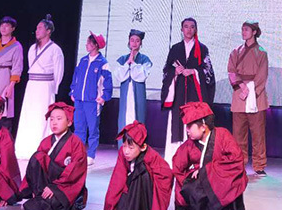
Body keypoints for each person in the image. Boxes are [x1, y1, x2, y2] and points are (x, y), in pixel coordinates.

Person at [173, 102, 264, 210]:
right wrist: (188, 180)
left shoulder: (223, 135)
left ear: (203, 127)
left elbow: (236, 159)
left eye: (189, 126)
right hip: (203, 185)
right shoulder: (189, 144)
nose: (187, 130)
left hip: (225, 182)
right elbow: (178, 165)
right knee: (192, 188)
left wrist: (205, 170)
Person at [161, 18, 215, 163]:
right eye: (186, 27)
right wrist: (175, 72)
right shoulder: (175, 49)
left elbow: (208, 72)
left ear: (195, 29)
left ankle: (194, 160)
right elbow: (166, 70)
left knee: (195, 122)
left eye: (192, 27)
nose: (189, 30)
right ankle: (174, 159)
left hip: (194, 93)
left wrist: (194, 71)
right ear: (181, 29)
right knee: (176, 124)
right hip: (178, 91)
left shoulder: (202, 49)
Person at [101, 121, 173, 210]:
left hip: (147, 199)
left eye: (131, 148)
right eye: (124, 146)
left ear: (143, 147)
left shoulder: (153, 158)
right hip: (130, 191)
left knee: (142, 173)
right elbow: (117, 180)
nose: (126, 151)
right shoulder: (122, 153)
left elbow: (163, 186)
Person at [21, 102, 88, 210]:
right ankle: (39, 194)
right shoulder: (46, 142)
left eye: (59, 119)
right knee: (37, 157)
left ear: (69, 122)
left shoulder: (76, 143)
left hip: (65, 186)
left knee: (48, 204)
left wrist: (54, 188)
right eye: (51, 119)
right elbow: (35, 167)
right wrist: (31, 187)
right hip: (46, 184)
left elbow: (74, 171)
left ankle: (43, 197)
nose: (54, 122)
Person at [15, 14, 65, 159]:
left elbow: (59, 71)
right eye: (36, 28)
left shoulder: (55, 49)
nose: (37, 31)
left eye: (40, 28)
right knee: (28, 115)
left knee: (42, 116)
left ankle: (42, 148)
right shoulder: (32, 48)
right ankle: (24, 148)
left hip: (45, 86)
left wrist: (54, 89)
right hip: (32, 85)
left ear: (48, 31)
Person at [227, 20, 269, 176]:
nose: (243, 32)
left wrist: (250, 90)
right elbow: (231, 71)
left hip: (256, 97)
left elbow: (262, 75)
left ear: (254, 32)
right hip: (239, 95)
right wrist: (240, 86)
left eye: (246, 29)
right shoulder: (235, 51)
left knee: (258, 133)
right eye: (242, 29)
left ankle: (259, 164)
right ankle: (239, 163)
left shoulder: (261, 52)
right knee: (238, 134)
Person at [70, 32, 112, 165]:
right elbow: (75, 78)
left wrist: (104, 97)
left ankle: (91, 155)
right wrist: (73, 91)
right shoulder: (82, 60)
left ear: (96, 45)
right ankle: (78, 153)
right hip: (79, 100)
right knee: (79, 128)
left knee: (93, 129)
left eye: (89, 43)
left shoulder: (103, 63)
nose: (86, 45)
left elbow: (107, 81)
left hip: (93, 101)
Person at [113, 29, 152, 136]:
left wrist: (134, 64)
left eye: (137, 41)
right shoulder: (122, 59)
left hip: (138, 94)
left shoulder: (145, 59)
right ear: (129, 42)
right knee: (124, 118)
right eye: (132, 40)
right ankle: (123, 145)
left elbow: (142, 76)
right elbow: (119, 76)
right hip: (126, 94)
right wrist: (127, 64)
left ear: (141, 43)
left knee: (138, 118)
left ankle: (137, 144)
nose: (134, 43)